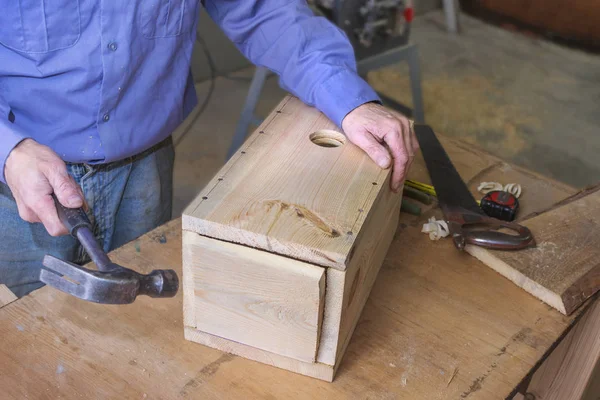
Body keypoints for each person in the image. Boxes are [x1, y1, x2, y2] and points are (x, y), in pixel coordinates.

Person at [0, 1, 418, 297]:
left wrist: (348, 98)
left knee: (136, 333)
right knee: (33, 337)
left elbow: (263, 10)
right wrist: (9, 149)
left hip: (144, 170)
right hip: (19, 182)